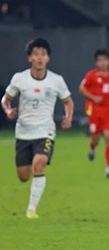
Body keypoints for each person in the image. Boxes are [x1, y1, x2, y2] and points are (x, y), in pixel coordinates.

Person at [1, 38, 74, 219]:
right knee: (23, 176)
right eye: (36, 54)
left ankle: (31, 210)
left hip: (45, 131)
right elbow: (5, 99)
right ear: (30, 58)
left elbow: (68, 101)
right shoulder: (20, 79)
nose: (40, 58)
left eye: (43, 54)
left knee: (39, 164)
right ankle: (33, 190)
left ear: (48, 58)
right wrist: (8, 110)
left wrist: (68, 117)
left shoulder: (56, 80)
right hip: (23, 132)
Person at [80, 49, 109, 178]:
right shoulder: (91, 75)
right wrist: (93, 97)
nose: (102, 62)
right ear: (96, 63)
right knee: (96, 140)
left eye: (105, 60)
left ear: (108, 61)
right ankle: (92, 147)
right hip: (95, 111)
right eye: (100, 60)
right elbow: (81, 89)